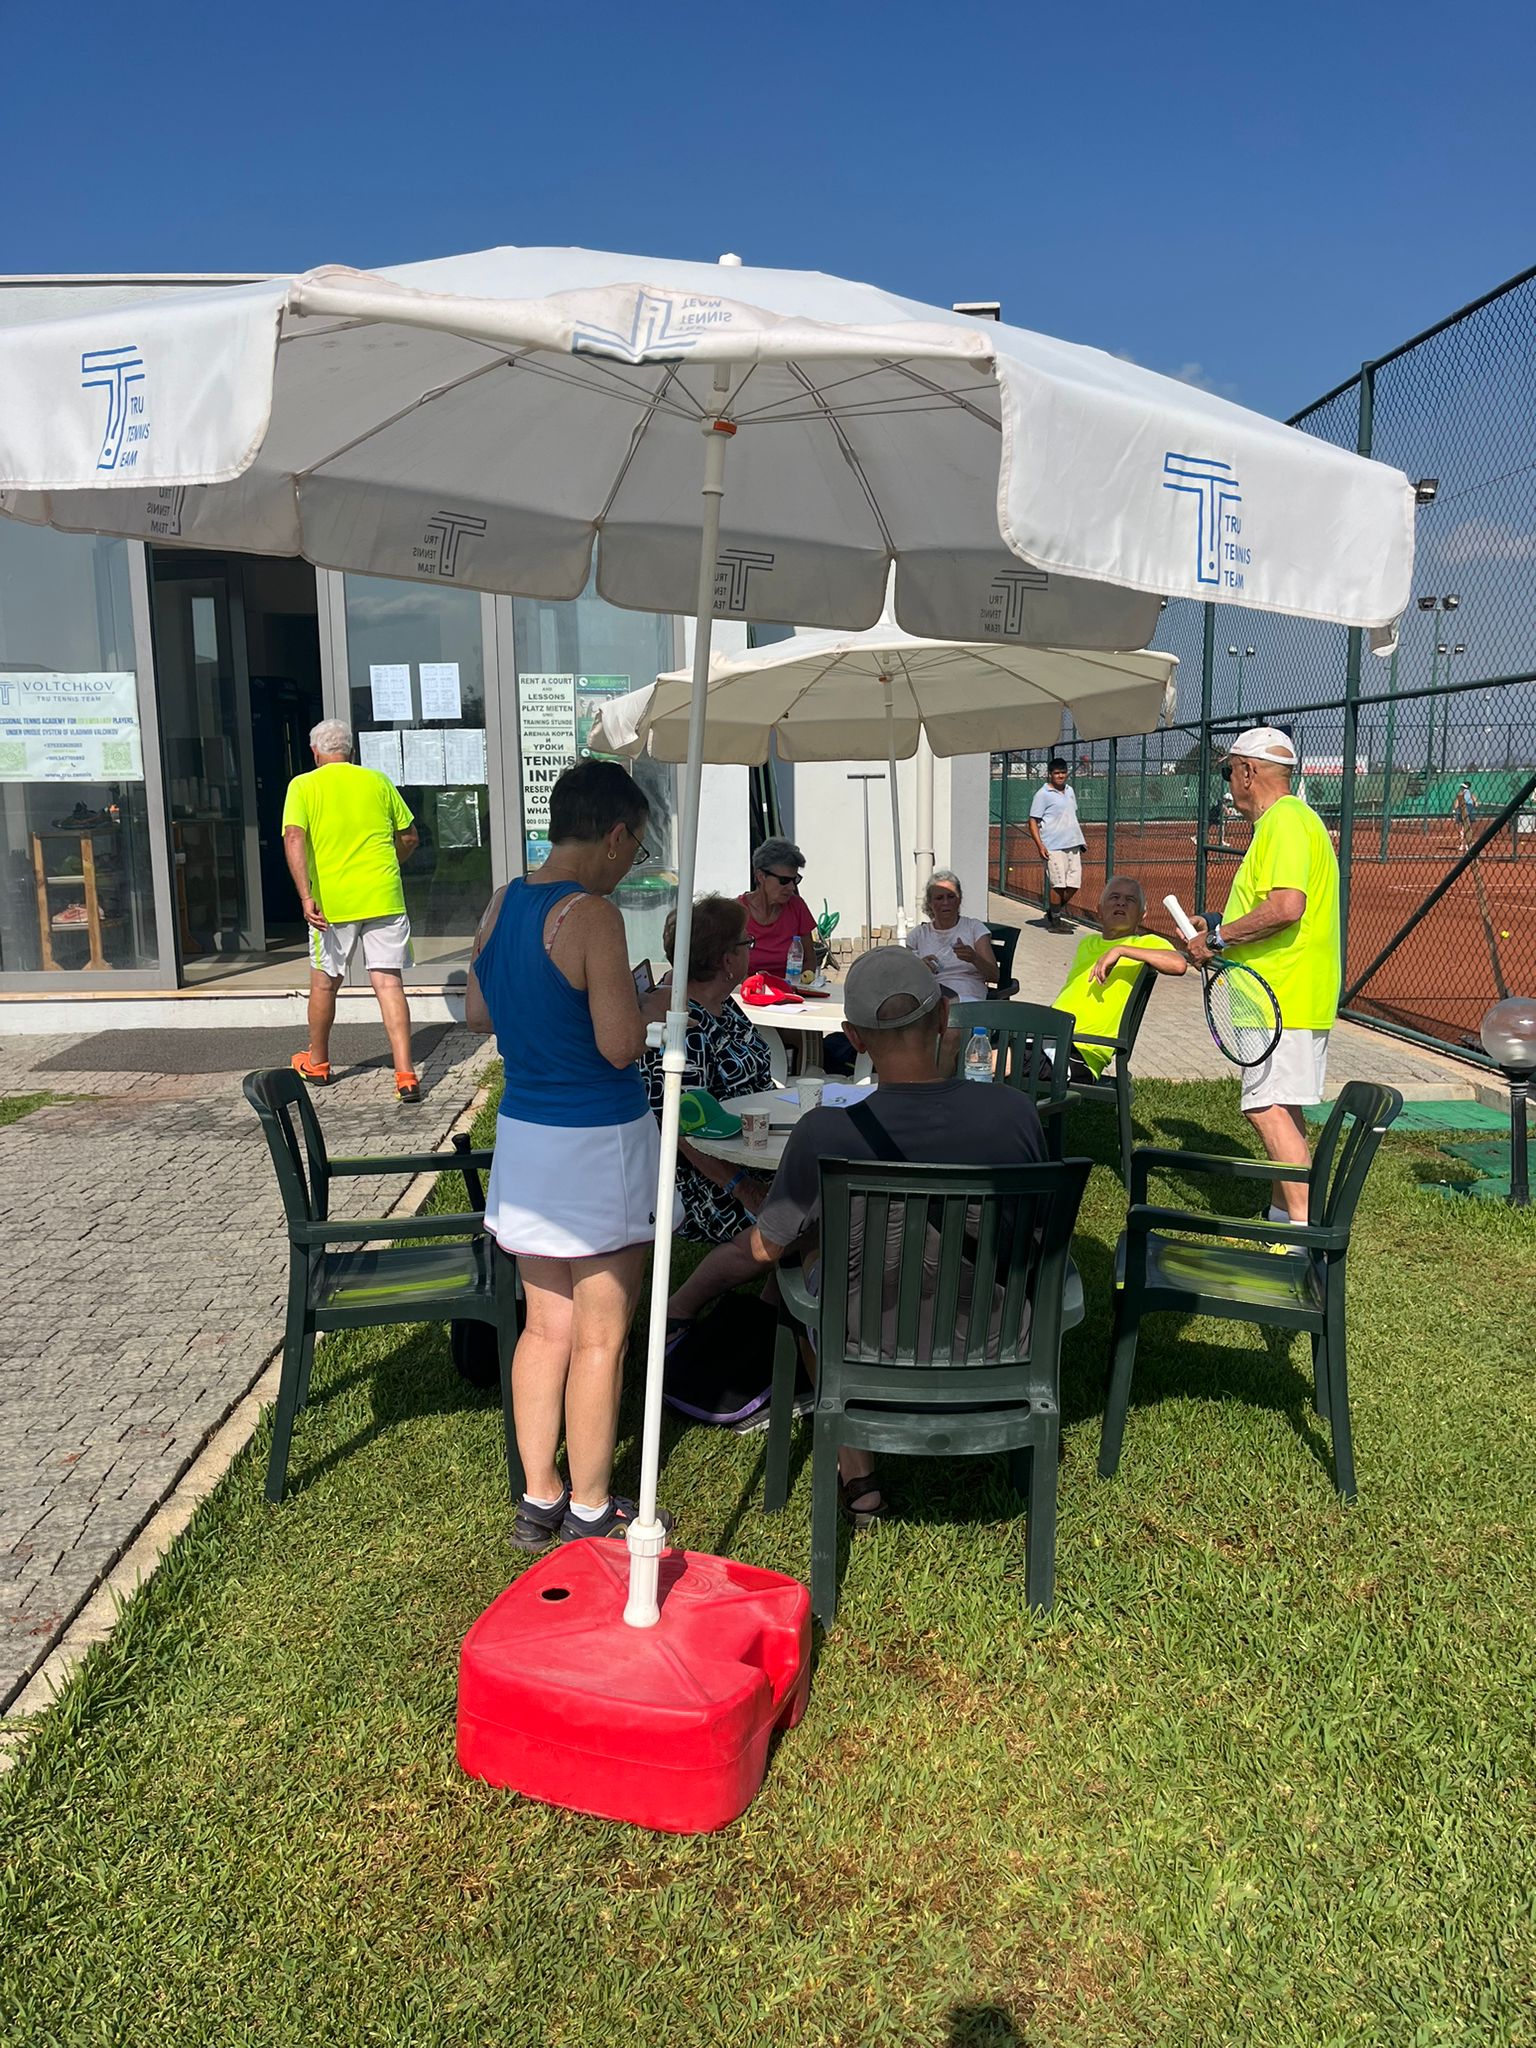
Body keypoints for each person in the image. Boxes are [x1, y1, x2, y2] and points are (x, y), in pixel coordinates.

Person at [664, 949, 1045, 1523]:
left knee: (809, 1259)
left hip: (866, 1345)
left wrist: (688, 1298)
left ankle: (860, 1479)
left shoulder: (825, 1130)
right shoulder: (1015, 1113)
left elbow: (767, 1250)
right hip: (997, 1338)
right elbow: (1036, 1235)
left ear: (854, 1038)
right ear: (945, 1017)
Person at [466, 758, 680, 1553]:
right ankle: (592, 1504)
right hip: (598, 1141)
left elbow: (479, 1010)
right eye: (637, 846)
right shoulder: (591, 915)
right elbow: (620, 1045)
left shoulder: (501, 904)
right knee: (600, 1332)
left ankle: (539, 1494)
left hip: (525, 1135)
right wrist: (647, 1003)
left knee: (543, 1327)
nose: (635, 862)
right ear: (616, 833)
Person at [1185, 727, 1340, 1229]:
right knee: (1281, 1108)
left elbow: (1285, 907)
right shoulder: (1292, 822)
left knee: (1264, 1107)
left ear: (1250, 772)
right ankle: (1281, 1215)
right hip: (1287, 995)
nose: (1229, 782)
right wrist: (1220, 924)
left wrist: (1218, 939)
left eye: (1230, 771)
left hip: (1280, 998)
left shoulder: (1285, 822)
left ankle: (1303, 1235)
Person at [282, 719, 422, 1103]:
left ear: (314, 753)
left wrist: (305, 895)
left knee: (325, 982)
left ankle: (319, 1063)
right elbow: (410, 835)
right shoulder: (377, 781)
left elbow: (294, 836)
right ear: (351, 753)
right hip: (384, 896)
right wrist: (391, 863)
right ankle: (406, 1075)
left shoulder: (303, 786)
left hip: (333, 901)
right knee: (389, 983)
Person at [641, 894, 774, 1244]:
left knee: (827, 1194)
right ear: (727, 959)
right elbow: (682, 1130)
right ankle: (686, 1302)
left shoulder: (722, 1004)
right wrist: (744, 1188)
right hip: (709, 1179)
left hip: (754, 1150)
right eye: (747, 941)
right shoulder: (687, 1025)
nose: (752, 948)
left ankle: (781, 1296)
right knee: (802, 1218)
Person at [1050, 876, 1187, 1082]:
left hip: (1078, 1052)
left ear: (1143, 914)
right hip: (1047, 1034)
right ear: (1099, 910)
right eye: (1114, 897)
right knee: (989, 1045)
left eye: (1130, 900)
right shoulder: (1087, 943)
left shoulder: (1146, 943)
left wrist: (1121, 950)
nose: (1121, 902)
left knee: (993, 1062)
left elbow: (1178, 964)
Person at [904, 869, 997, 1001]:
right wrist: (919, 968)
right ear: (930, 903)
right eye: (939, 898)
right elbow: (903, 977)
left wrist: (974, 958)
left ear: (959, 900)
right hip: (932, 996)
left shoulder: (974, 928)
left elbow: (994, 976)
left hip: (968, 996)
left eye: (951, 896)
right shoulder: (918, 935)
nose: (946, 902)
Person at [740, 836, 819, 980]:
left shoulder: (797, 906)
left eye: (795, 880)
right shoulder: (737, 913)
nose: (791, 887)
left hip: (790, 993)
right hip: (747, 995)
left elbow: (809, 960)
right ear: (761, 876)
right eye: (784, 881)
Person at [1028, 758, 1087, 932]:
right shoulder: (1042, 794)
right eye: (1056, 773)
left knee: (1073, 885)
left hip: (1073, 844)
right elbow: (1032, 821)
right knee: (1058, 885)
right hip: (1053, 846)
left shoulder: (1070, 791)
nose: (1060, 776)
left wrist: (1079, 838)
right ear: (1050, 774)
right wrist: (1040, 846)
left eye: (1063, 772)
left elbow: (1071, 816)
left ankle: (1054, 911)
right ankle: (1055, 921)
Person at [1454, 779, 1479, 852]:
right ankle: (1468, 845)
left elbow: (1457, 803)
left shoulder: (1461, 793)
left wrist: (1454, 810)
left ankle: (1462, 845)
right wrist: (1474, 805)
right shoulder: (1471, 793)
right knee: (1468, 827)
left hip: (1463, 809)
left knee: (1462, 828)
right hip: (1470, 809)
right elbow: (1476, 803)